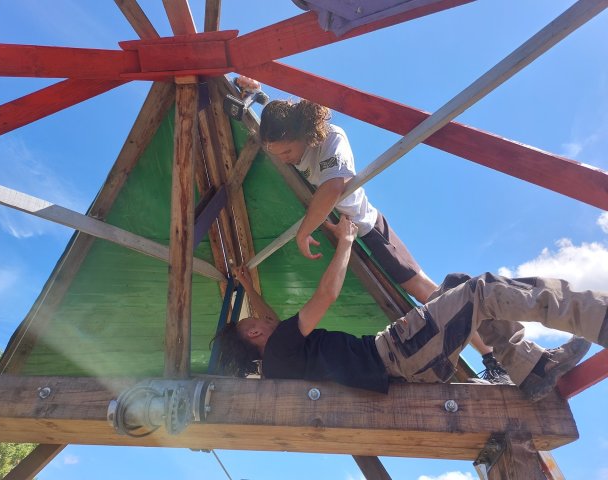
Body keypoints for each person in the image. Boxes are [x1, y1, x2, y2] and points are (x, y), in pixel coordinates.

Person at [237, 75, 511, 383]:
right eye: (279, 156)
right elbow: (271, 119)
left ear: (299, 135)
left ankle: (492, 356)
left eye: (287, 153)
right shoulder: (283, 136)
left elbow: (333, 187)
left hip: (367, 229)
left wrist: (303, 232)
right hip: (341, 233)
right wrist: (255, 94)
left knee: (425, 291)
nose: (285, 160)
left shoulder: (331, 138)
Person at [213, 215, 604, 402]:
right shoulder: (281, 344)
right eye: (252, 320)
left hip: (406, 359)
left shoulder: (279, 360)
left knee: (455, 285)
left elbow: (271, 322)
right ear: (253, 333)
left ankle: (530, 367)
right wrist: (346, 241)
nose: (260, 318)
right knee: (481, 291)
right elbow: (326, 295)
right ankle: (596, 316)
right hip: (400, 353)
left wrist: (248, 287)